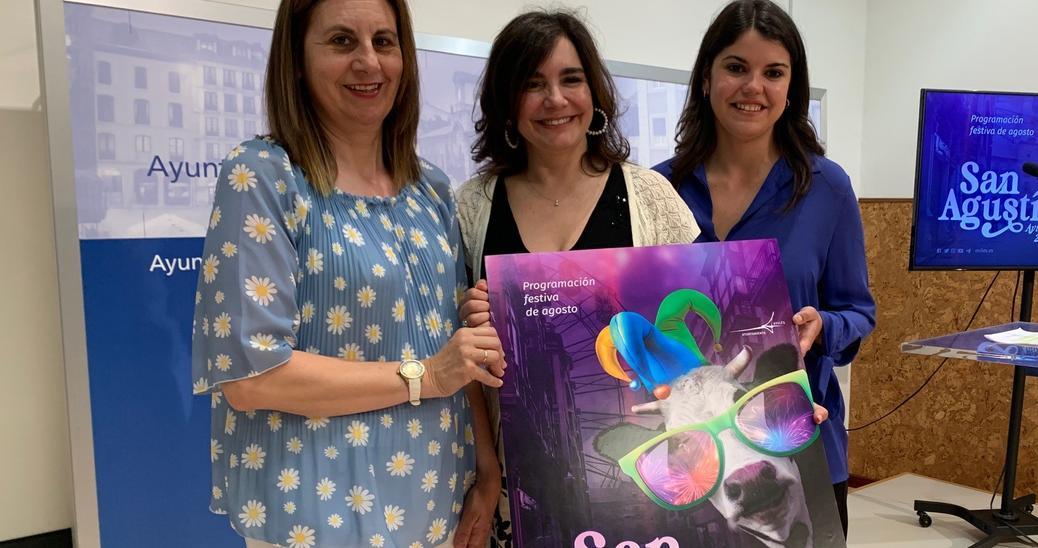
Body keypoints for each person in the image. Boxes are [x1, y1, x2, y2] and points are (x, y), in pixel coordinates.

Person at [190, 1, 504, 546]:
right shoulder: (265, 176)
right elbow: (250, 376)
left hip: (437, 504)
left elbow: (458, 351)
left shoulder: (429, 189)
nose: (368, 62)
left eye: (384, 42)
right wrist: (425, 375)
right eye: (341, 42)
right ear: (296, 61)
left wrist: (487, 467)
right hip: (314, 515)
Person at [452, 10, 700, 546]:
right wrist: (488, 468)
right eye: (532, 84)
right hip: (523, 483)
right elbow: (463, 366)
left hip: (649, 465)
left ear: (595, 93)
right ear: (506, 103)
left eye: (571, 79)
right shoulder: (473, 207)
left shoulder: (650, 197)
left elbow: (698, 335)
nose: (555, 100)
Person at [653, 0, 877, 536]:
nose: (753, 86)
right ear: (706, 79)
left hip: (802, 447)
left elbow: (858, 313)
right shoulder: (658, 189)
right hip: (704, 472)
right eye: (736, 67)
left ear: (790, 89)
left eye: (773, 73)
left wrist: (824, 326)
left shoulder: (827, 188)